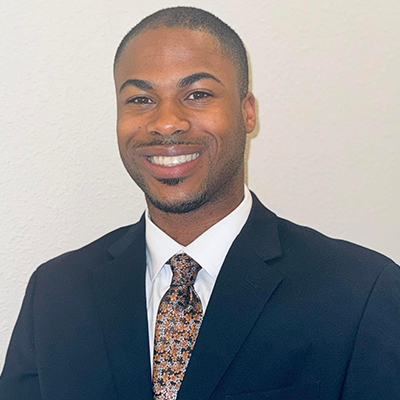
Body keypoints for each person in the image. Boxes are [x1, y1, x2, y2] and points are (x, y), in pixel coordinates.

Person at [0, 6, 399, 400]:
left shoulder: (361, 293)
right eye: (140, 99)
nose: (166, 122)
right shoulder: (54, 294)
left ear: (247, 112)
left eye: (197, 94)